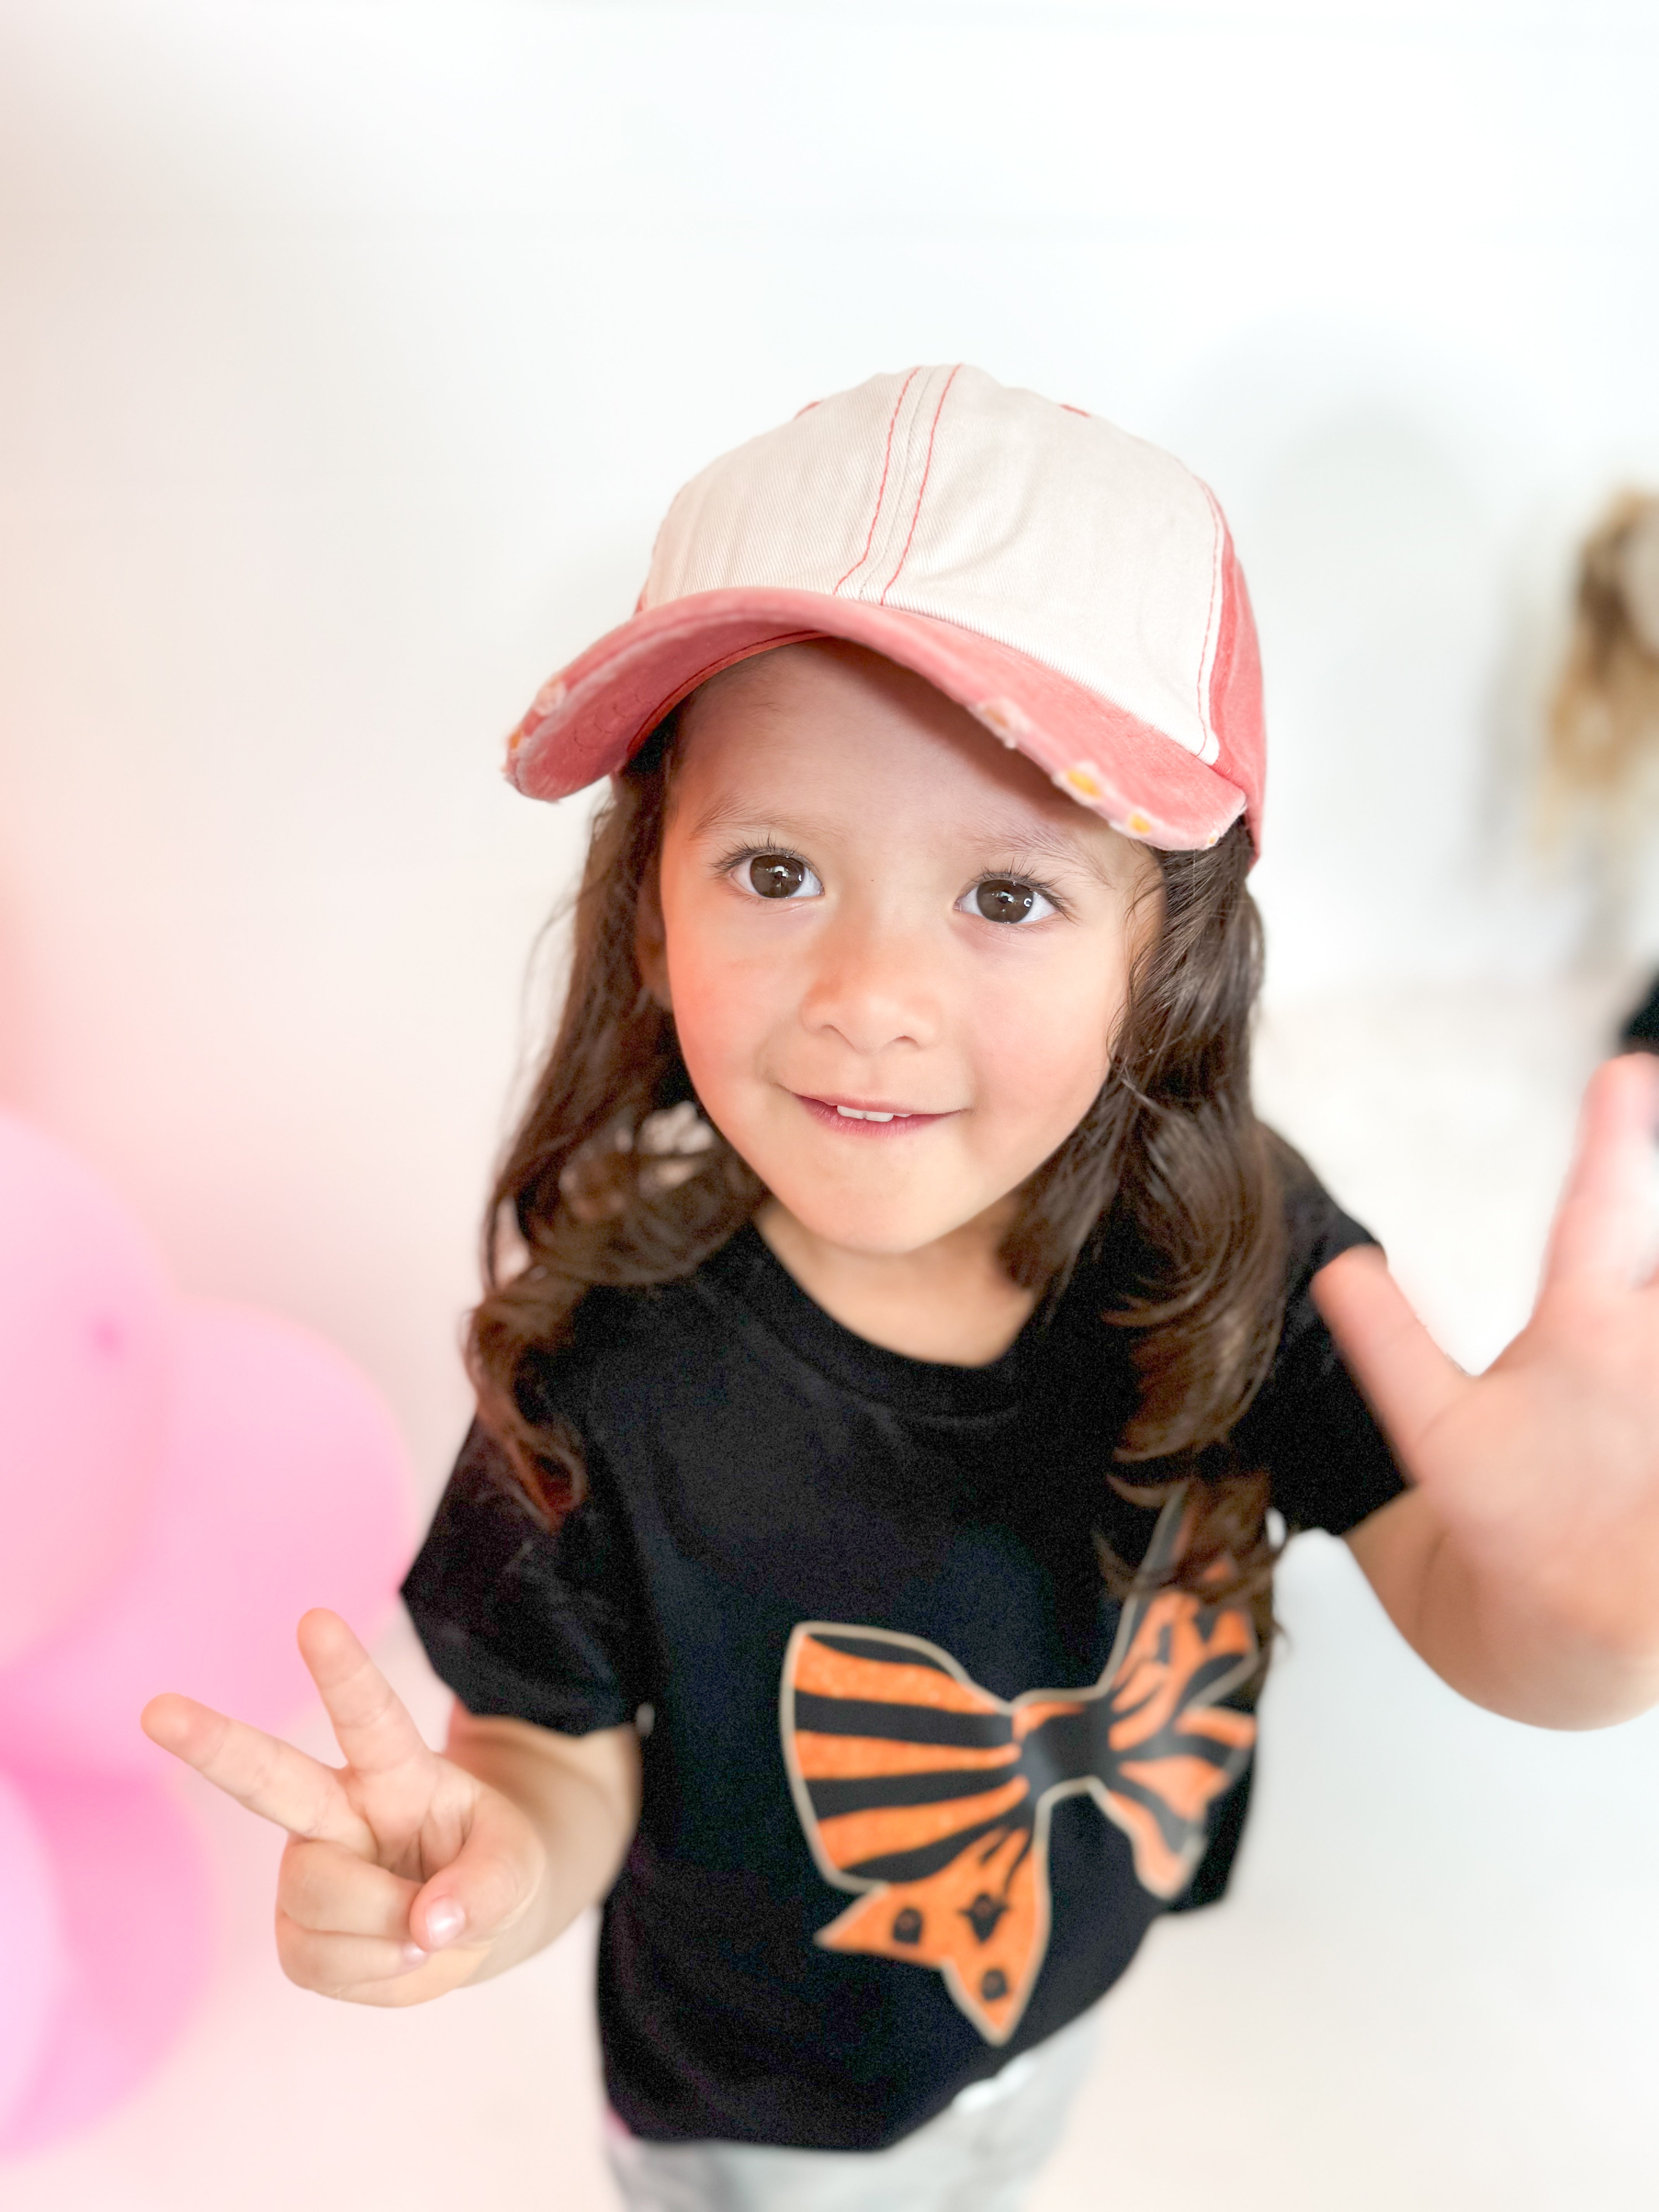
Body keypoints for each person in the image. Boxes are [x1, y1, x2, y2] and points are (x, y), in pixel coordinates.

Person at [143, 368, 1659, 2212]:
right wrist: (487, 1872)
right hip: (755, 2121)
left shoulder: (1236, 1246)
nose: (870, 991)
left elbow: (1481, 1606)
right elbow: (553, 1758)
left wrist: (1599, 1617)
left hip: (1055, 2012)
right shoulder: (600, 1364)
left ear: (1162, 949)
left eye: (1007, 898)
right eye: (777, 870)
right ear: (653, 910)